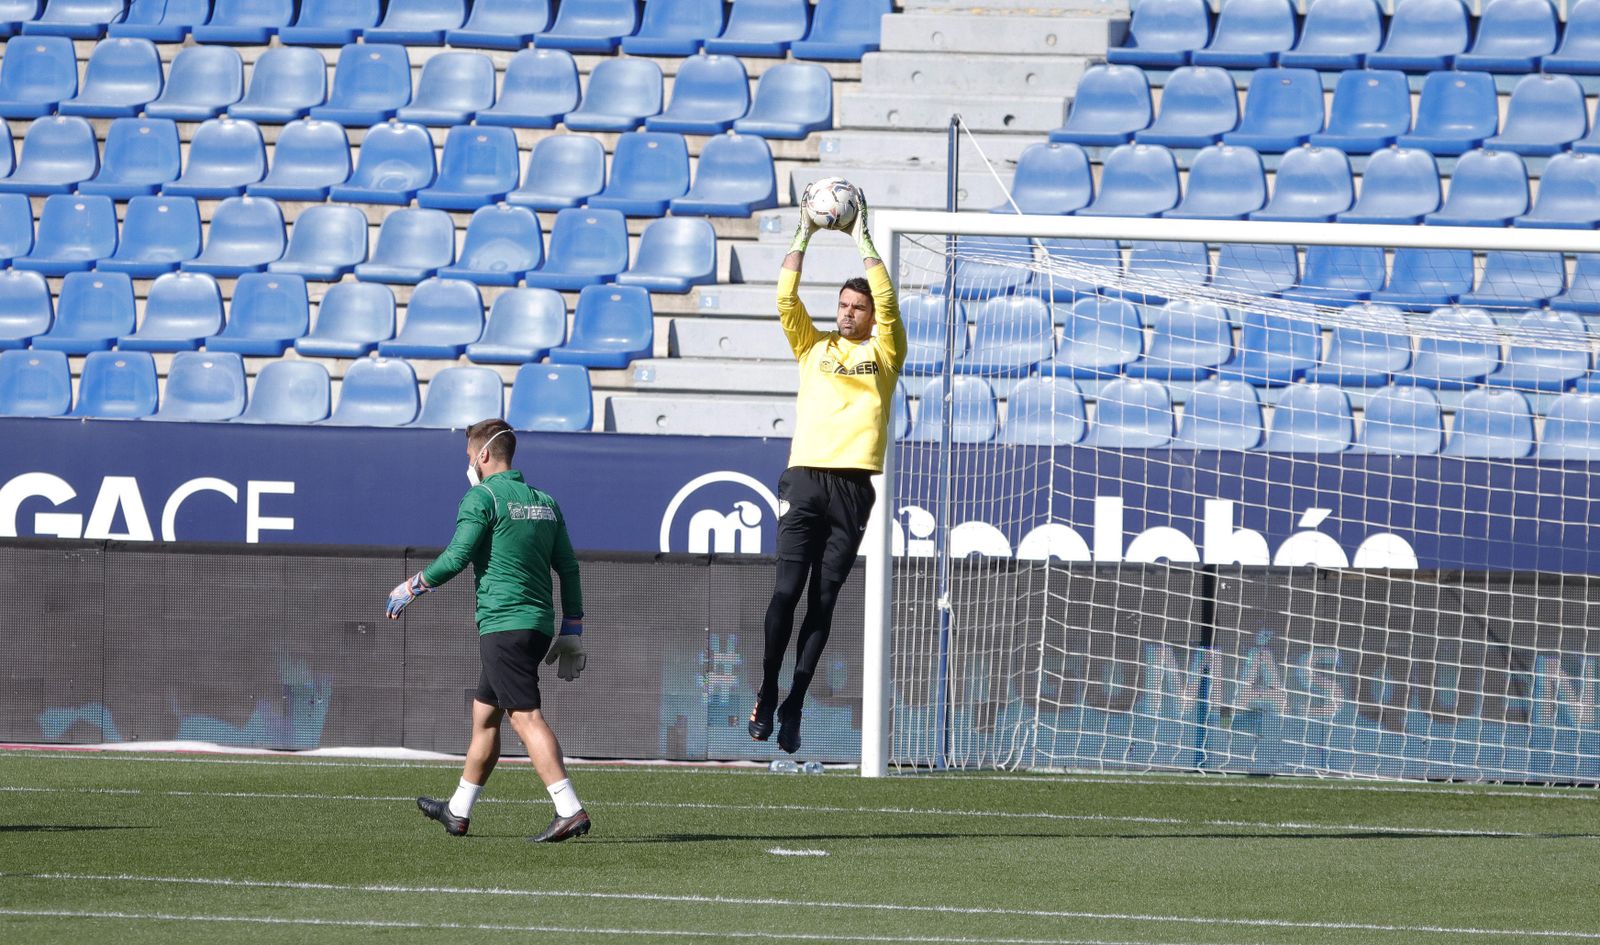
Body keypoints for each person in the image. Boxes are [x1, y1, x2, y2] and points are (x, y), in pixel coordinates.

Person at [385, 418, 591, 843]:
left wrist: (414, 585)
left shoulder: (482, 497)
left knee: (525, 717)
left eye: (468, 458)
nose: (468, 466)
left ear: (482, 456)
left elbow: (458, 556)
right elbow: (567, 566)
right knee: (485, 715)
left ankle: (568, 808)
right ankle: (458, 810)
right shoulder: (545, 502)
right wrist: (572, 626)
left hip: (503, 624)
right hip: (535, 625)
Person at [751, 193, 905, 754]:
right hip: (805, 479)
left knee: (824, 602)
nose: (847, 311)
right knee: (785, 592)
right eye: (842, 304)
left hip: (853, 488)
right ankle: (766, 693)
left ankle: (794, 703)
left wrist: (861, 235)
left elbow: (887, 303)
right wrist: (804, 233)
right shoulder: (812, 349)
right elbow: (785, 298)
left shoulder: (885, 354)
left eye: (855, 307)